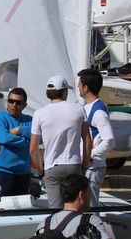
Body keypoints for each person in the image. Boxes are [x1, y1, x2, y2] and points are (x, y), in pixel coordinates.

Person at [30, 75, 91, 207]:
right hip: (73, 164)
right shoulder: (78, 109)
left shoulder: (39, 113)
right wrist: (85, 165)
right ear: (64, 91)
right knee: (77, 207)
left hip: (51, 167)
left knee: (55, 210)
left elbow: (33, 149)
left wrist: (41, 170)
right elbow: (87, 141)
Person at [78, 69, 116, 199]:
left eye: (79, 84)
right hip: (88, 167)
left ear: (86, 87)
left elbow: (110, 141)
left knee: (91, 207)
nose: (78, 86)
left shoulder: (98, 111)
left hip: (93, 168)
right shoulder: (90, 107)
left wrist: (90, 155)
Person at [0, 86, 34, 197]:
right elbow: (4, 138)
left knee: (20, 211)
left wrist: (20, 129)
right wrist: (27, 142)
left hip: (24, 173)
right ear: (7, 102)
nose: (14, 105)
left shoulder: (30, 120)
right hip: (3, 171)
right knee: (1, 208)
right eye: (11, 101)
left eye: (18, 103)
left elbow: (40, 139)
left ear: (24, 105)